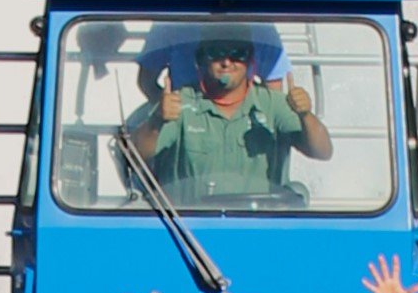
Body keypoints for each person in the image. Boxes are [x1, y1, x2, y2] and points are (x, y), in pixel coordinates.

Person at [128, 31, 332, 205]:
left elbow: (323, 152)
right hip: (188, 230)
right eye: (215, 53)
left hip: (260, 228)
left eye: (237, 54)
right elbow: (135, 156)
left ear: (250, 61)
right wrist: (156, 122)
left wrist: (305, 115)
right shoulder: (180, 104)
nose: (227, 62)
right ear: (200, 61)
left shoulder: (274, 105)